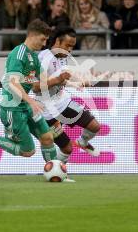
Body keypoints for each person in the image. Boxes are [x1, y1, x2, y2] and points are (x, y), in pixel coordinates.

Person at [0, 19, 62, 162]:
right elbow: (13, 82)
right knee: (27, 151)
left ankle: (55, 172)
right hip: (12, 109)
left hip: (25, 105)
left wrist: (69, 80)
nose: (44, 44)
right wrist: (32, 102)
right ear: (33, 35)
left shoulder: (33, 55)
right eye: (43, 39)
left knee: (48, 138)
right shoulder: (19, 54)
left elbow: (45, 80)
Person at [34, 26, 101, 173]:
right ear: (57, 41)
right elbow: (35, 87)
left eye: (72, 46)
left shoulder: (62, 57)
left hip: (64, 103)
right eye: (67, 45)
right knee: (67, 148)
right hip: (47, 113)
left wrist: (77, 82)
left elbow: (62, 79)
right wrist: (59, 79)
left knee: (95, 126)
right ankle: (54, 171)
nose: (70, 49)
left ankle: (83, 142)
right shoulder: (42, 59)